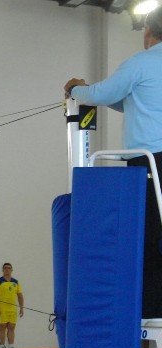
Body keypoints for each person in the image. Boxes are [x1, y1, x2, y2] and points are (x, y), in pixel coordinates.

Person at [66, 7, 162, 318]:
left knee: (147, 236)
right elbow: (132, 100)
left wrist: (75, 89)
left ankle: (150, 308)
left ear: (148, 31)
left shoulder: (141, 62)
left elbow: (101, 93)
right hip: (153, 160)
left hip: (150, 162)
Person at [0, 263, 24, 348]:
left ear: (12, 270)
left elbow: (20, 296)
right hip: (2, 310)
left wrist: (21, 308)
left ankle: (11, 347)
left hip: (12, 310)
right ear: (3, 270)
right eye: (5, 268)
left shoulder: (16, 282)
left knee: (11, 328)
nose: (7, 269)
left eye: (9, 268)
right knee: (2, 328)